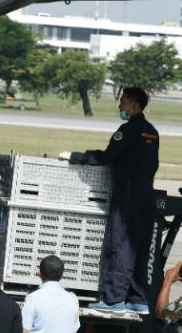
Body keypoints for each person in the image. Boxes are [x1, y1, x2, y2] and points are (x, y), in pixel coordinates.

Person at [64, 87, 159, 313]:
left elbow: (106, 157)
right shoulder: (152, 132)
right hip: (147, 192)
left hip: (127, 193)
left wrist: (77, 157)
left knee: (120, 244)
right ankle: (138, 298)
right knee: (140, 246)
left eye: (124, 103)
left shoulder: (127, 130)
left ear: (134, 105)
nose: (120, 107)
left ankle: (114, 299)